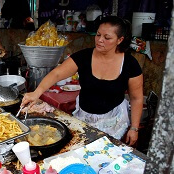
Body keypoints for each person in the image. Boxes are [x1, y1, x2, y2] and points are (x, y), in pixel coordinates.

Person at [21, 16, 143, 146]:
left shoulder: (130, 64)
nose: (100, 40)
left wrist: (134, 128)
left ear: (120, 40)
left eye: (107, 38)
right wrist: (37, 92)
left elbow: (136, 98)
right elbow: (57, 74)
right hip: (84, 117)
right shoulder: (84, 56)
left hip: (113, 120)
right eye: (98, 35)